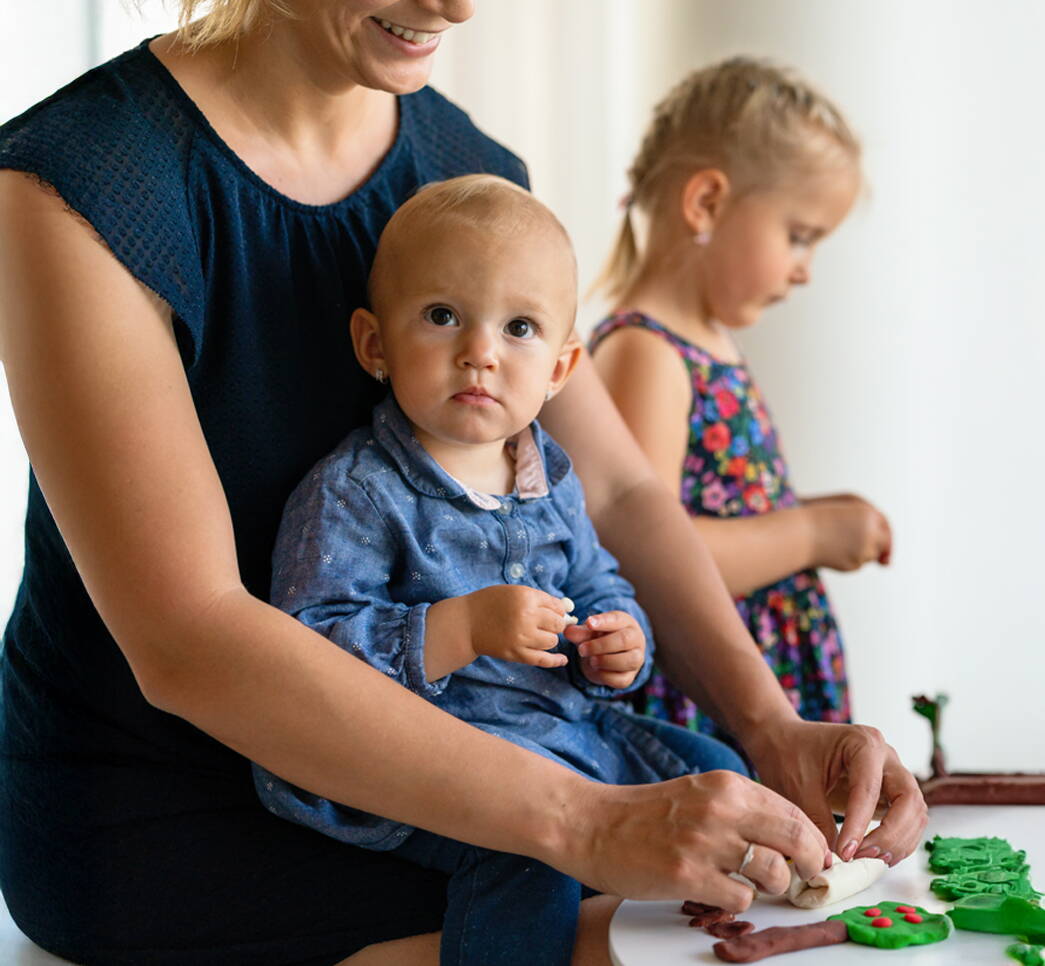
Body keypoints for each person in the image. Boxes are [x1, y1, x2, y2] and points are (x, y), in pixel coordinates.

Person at [0, 0, 925, 966]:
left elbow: (615, 493)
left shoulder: (461, 168)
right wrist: (582, 821)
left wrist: (771, 725)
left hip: (485, 772)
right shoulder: (79, 185)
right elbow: (189, 640)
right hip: (170, 814)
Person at [254, 175, 750, 966]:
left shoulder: (550, 476)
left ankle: (717, 945)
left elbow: (597, 583)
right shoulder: (353, 492)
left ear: (559, 369)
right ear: (374, 344)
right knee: (529, 863)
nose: (480, 352)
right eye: (443, 316)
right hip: (442, 768)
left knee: (717, 772)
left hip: (567, 734)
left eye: (518, 327)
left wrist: (619, 644)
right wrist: (459, 629)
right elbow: (303, 654)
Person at [589, 58, 893, 751]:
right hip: (704, 708)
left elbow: (718, 507)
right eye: (799, 235)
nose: (803, 269)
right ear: (706, 203)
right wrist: (809, 535)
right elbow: (651, 557)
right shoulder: (647, 353)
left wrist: (812, 515)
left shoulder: (704, 343)